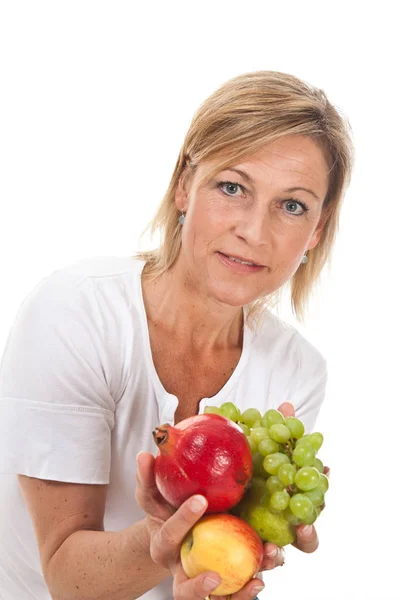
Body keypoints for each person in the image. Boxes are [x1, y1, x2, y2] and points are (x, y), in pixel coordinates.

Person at [0, 70, 353, 600]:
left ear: (317, 231)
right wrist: (164, 539)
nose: (255, 232)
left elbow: (215, 560)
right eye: (232, 187)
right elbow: (65, 577)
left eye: (292, 205)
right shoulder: (76, 313)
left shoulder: (297, 371)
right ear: (184, 185)